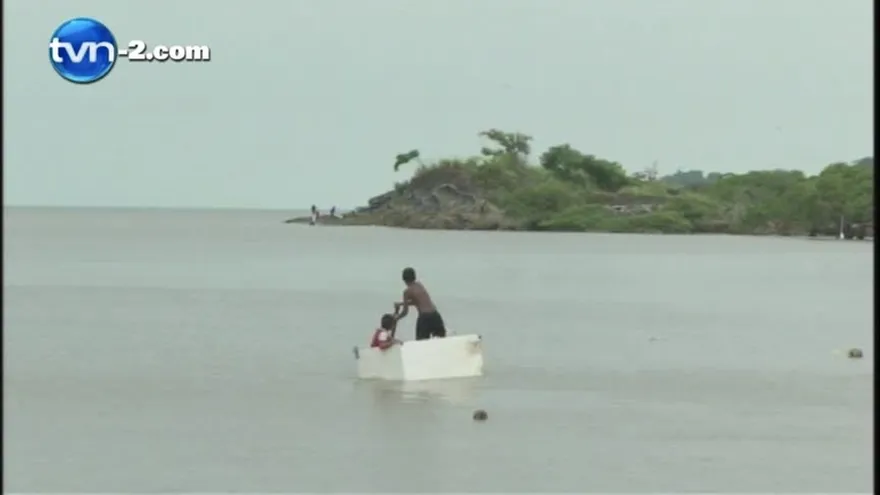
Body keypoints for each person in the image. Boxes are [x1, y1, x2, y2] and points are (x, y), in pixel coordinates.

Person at [394, 267, 447, 340]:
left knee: (420, 343)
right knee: (441, 340)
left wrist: (396, 318)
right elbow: (417, 301)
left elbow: (405, 312)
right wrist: (401, 303)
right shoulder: (419, 285)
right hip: (435, 315)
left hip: (425, 318)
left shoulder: (407, 292)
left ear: (404, 279)